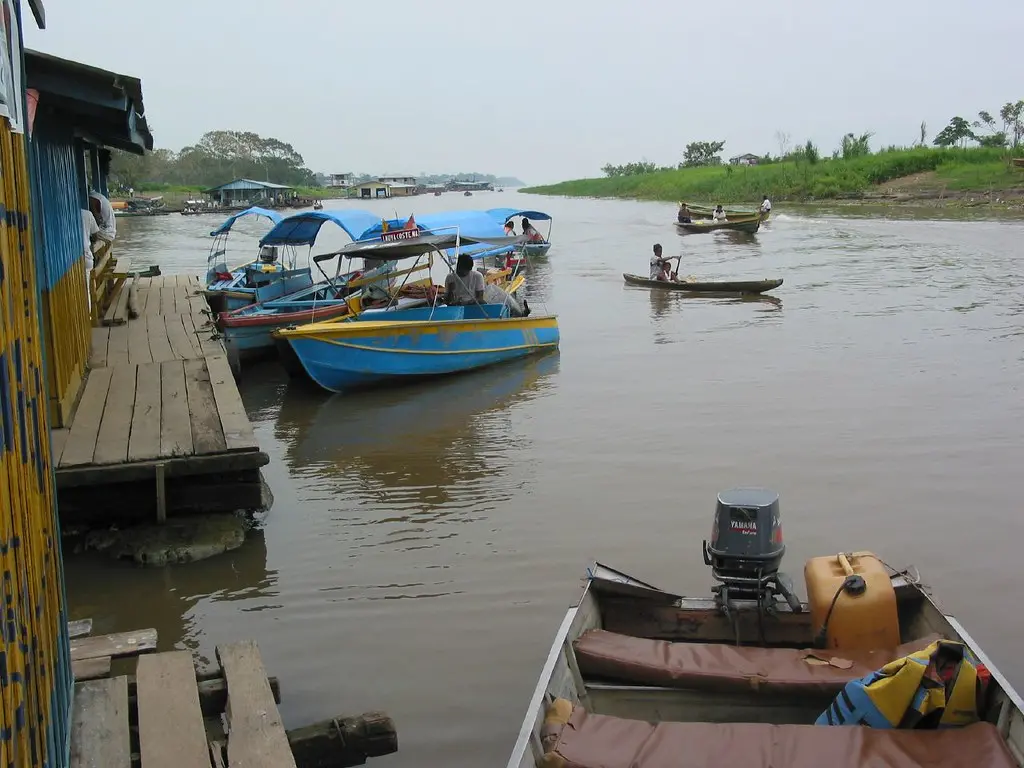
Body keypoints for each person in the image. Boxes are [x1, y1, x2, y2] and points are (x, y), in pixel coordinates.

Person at [81, 208, 100, 311]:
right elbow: (95, 235)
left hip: (72, 260)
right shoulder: (87, 214)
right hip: (87, 255)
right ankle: (88, 316)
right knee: (86, 289)